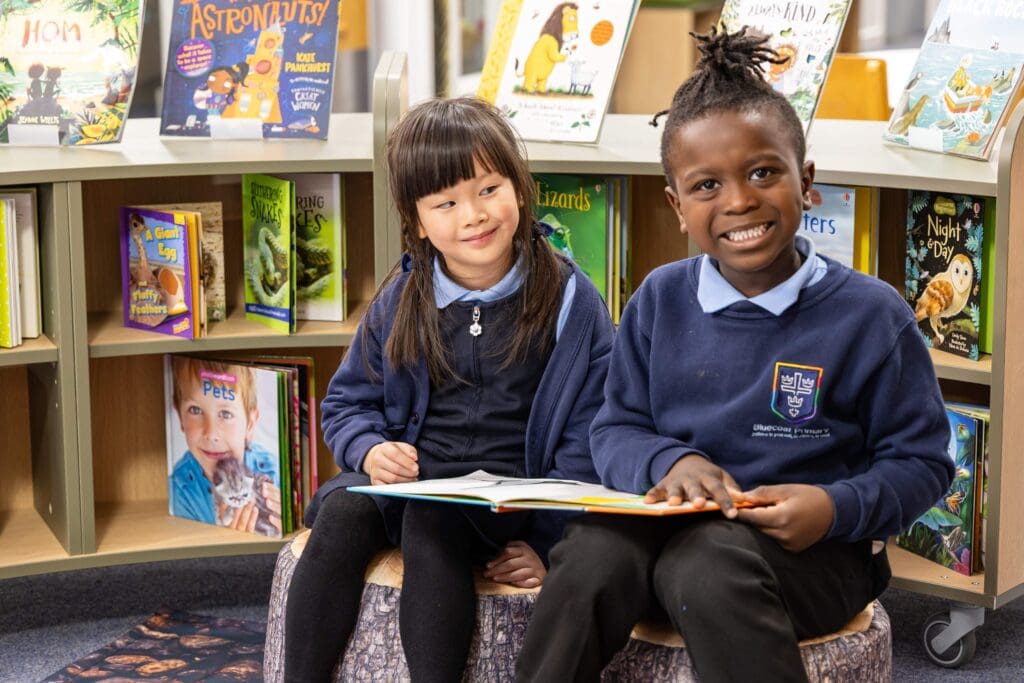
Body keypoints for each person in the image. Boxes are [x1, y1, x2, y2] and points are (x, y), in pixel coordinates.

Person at [516, 28, 954, 683]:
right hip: (665, 537)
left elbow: (923, 463)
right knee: (588, 556)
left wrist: (834, 507)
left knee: (706, 561)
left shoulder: (872, 314)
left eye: (762, 172)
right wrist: (671, 459)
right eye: (706, 185)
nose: (740, 200)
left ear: (805, 182)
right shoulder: (659, 299)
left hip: (813, 555)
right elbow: (613, 431)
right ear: (676, 206)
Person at [284, 96, 614, 682]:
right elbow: (346, 402)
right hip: (411, 484)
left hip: (507, 497)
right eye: (447, 202)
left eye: (489, 189)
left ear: (519, 186)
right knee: (337, 515)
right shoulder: (402, 296)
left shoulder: (570, 298)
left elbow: (592, 436)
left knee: (431, 522)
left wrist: (548, 540)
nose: (474, 215)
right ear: (416, 221)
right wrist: (367, 449)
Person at [168, 356, 282, 534]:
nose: (211, 434)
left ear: (250, 424)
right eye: (195, 410)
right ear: (180, 417)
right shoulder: (179, 490)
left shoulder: (276, 472)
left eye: (226, 414)